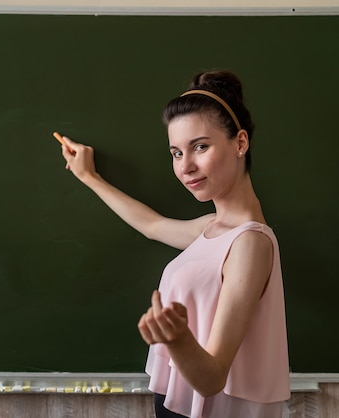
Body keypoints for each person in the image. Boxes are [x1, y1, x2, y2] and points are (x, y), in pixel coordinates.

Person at [58, 70, 290, 418]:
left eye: (200, 147)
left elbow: (212, 377)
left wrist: (176, 338)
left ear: (240, 143)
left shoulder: (249, 243)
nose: (186, 167)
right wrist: (89, 177)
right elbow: (151, 225)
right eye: (176, 153)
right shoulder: (212, 228)